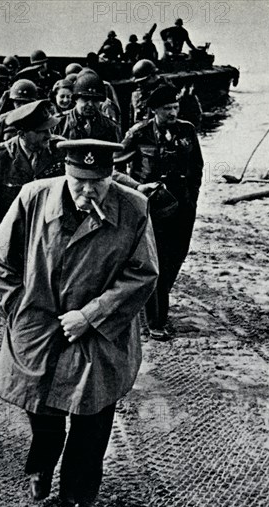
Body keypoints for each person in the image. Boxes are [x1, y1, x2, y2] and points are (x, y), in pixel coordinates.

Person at [0, 138, 158, 507]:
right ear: (65, 170)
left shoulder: (134, 208)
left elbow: (143, 274)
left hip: (99, 333)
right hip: (40, 326)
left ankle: (80, 491)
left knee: (93, 417)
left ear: (111, 176)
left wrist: (92, 316)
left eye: (97, 182)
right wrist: (19, 310)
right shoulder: (33, 197)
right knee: (42, 409)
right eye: (79, 180)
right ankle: (40, 468)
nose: (86, 190)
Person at [116, 85, 203, 340]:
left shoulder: (186, 130)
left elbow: (197, 166)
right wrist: (136, 188)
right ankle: (156, 321)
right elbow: (112, 168)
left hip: (183, 206)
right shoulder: (139, 133)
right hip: (152, 207)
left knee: (177, 257)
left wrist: (192, 198)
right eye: (167, 109)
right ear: (154, 110)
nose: (173, 112)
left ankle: (153, 302)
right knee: (159, 261)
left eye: (175, 107)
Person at [0, 100, 65, 279]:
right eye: (41, 131)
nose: (49, 135)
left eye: (50, 129)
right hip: (10, 240)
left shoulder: (60, 150)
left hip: (49, 240)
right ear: (22, 134)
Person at [61, 72, 120, 141]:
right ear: (76, 99)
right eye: (85, 99)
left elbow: (117, 149)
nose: (91, 104)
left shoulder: (110, 126)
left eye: (95, 100)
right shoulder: (60, 123)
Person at [0, 80, 39, 152]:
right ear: (13, 102)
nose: (22, 106)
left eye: (27, 103)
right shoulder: (4, 120)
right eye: (18, 102)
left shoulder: (41, 119)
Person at [130, 59, 170, 125]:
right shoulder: (138, 93)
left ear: (153, 76)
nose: (140, 85)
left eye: (143, 81)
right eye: (139, 82)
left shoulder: (166, 90)